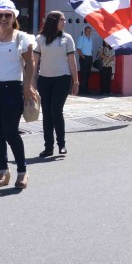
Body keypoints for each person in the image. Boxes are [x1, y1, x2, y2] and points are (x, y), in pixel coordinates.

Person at [0, 0, 35, 189]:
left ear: (14, 18)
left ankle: (22, 171)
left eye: (7, 15)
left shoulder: (22, 38)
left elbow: (30, 64)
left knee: (11, 131)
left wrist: (28, 87)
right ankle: (3, 171)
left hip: (12, 89)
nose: (3, 18)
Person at [34, 11, 78, 157]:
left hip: (62, 78)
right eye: (62, 20)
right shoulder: (40, 38)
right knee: (46, 113)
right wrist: (32, 82)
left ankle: (62, 144)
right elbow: (35, 63)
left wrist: (76, 81)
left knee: (56, 110)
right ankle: (48, 147)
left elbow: (72, 61)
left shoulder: (67, 38)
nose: (64, 22)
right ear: (53, 21)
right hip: (44, 79)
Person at [76, 26, 95, 95]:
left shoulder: (91, 39)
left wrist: (91, 57)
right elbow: (78, 49)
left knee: (88, 74)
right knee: (83, 74)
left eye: (90, 31)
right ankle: (82, 90)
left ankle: (86, 89)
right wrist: (83, 57)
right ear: (84, 31)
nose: (89, 32)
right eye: (87, 31)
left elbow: (91, 49)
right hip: (84, 58)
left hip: (89, 58)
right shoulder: (82, 38)